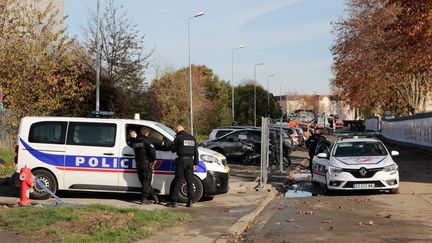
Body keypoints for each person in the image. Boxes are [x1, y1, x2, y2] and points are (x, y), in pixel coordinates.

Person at [167, 125, 199, 208]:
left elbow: (172, 149)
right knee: (189, 181)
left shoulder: (179, 138)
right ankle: (190, 201)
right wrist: (196, 163)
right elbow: (196, 151)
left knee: (178, 180)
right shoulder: (192, 138)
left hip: (181, 161)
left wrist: (174, 141)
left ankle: (174, 202)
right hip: (190, 162)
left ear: (177, 131)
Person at [129, 128, 159, 205]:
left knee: (145, 182)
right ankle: (144, 199)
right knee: (147, 180)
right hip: (146, 164)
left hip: (138, 164)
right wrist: (153, 160)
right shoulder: (146, 141)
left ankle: (154, 196)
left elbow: (131, 143)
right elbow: (152, 151)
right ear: (147, 133)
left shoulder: (135, 141)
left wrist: (132, 137)